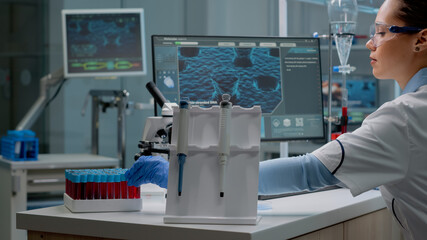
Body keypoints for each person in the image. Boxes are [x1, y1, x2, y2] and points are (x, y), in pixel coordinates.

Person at [125, 0, 427, 239]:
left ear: (421, 39)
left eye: (382, 31)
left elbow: (309, 172)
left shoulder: (403, 118)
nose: (371, 43)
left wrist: (186, 179)